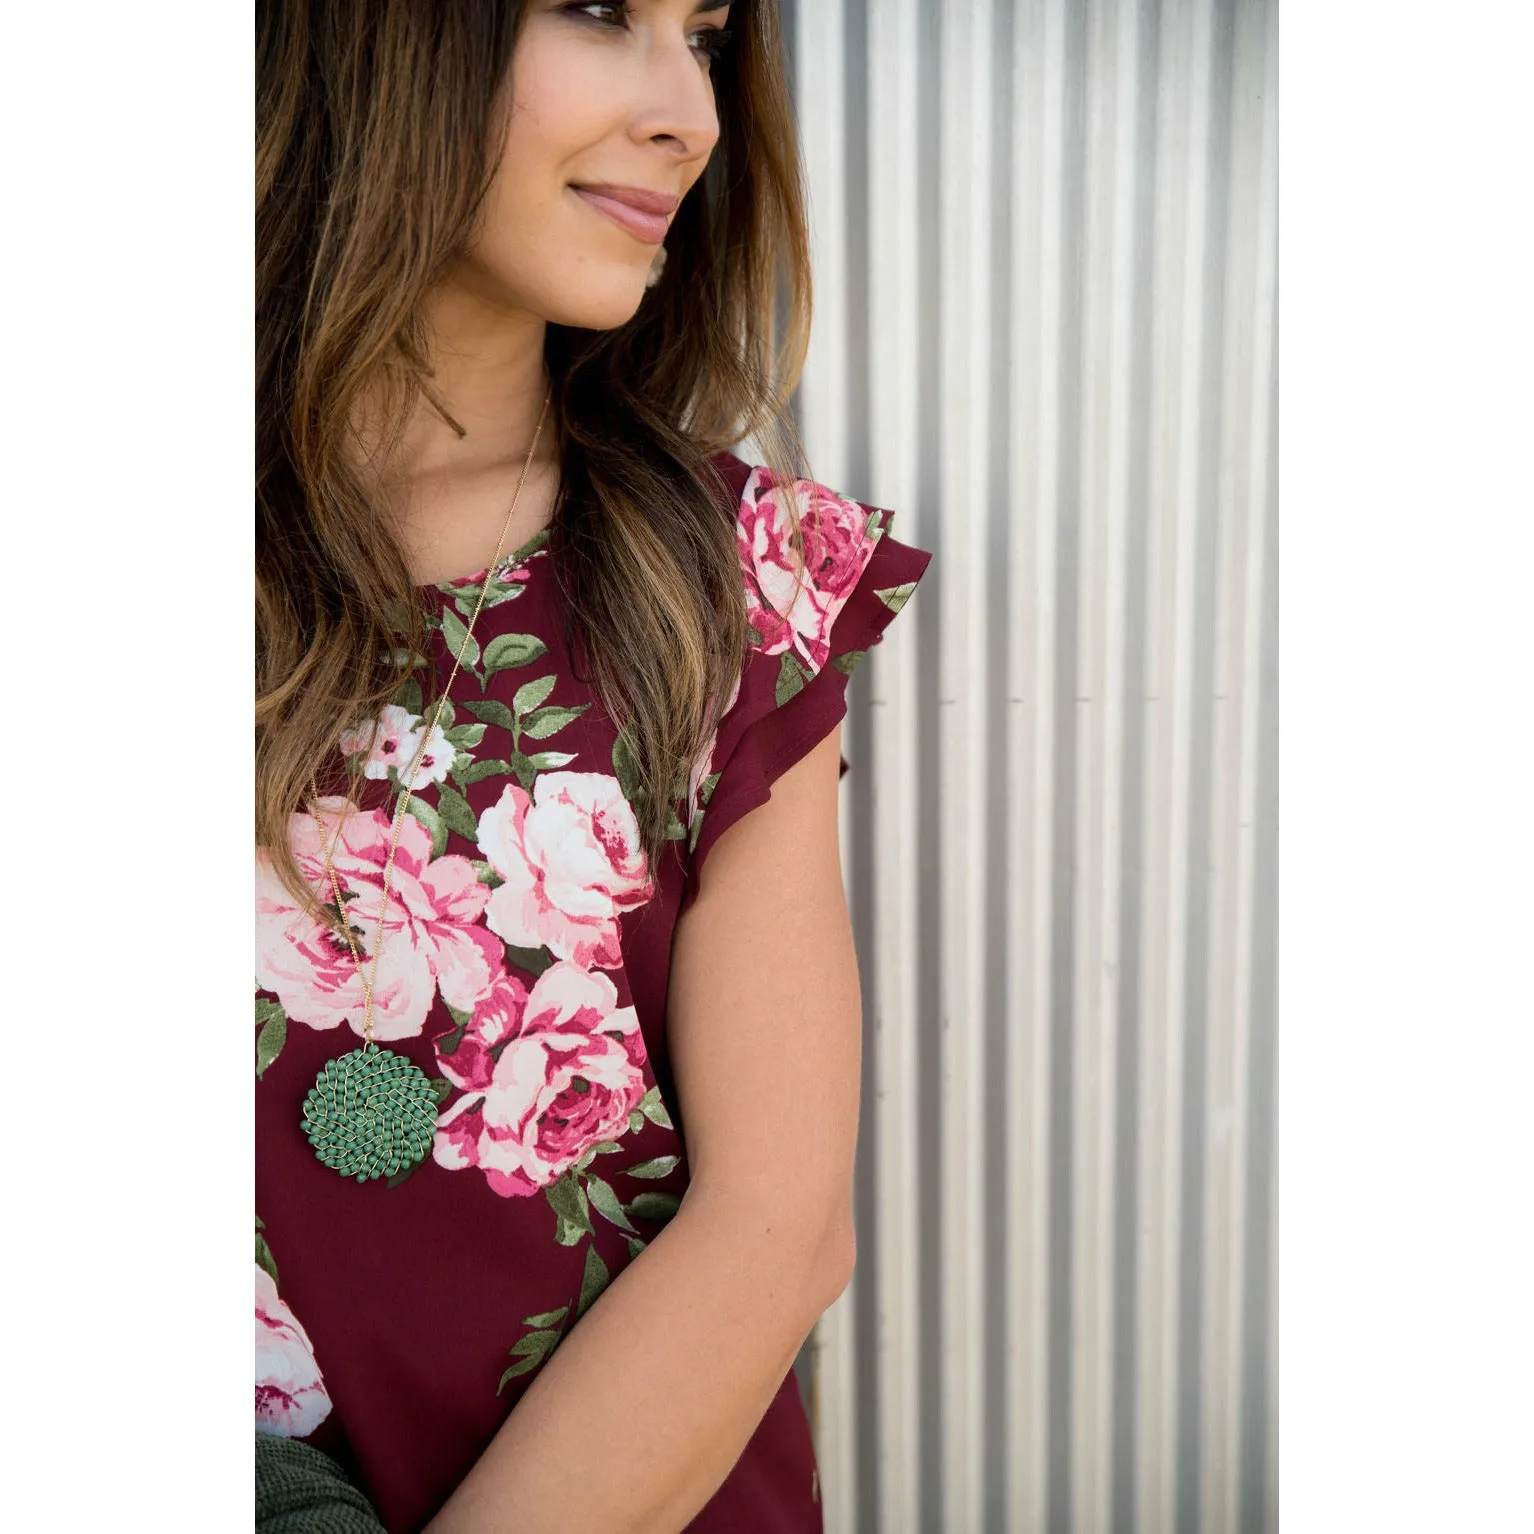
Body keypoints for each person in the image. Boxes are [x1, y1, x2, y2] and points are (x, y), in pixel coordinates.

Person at [254, 3, 931, 1530]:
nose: (690, 112)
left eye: (705, 40)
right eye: (600, 13)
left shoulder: (722, 583)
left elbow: (775, 1224)